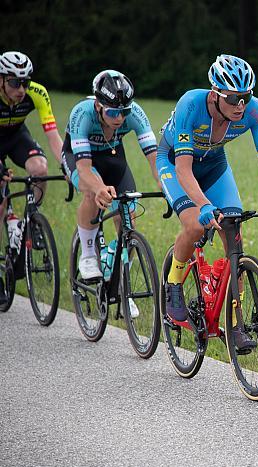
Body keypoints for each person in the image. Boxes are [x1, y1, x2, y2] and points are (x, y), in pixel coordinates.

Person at [157, 54, 258, 350]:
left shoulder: (254, 111)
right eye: (233, 98)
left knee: (234, 234)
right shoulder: (191, 105)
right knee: (195, 226)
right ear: (215, 94)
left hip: (214, 163)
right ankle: (173, 285)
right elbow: (183, 169)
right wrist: (204, 204)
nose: (240, 105)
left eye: (245, 97)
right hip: (174, 162)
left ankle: (235, 324)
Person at [62, 70, 159, 316]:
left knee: (128, 214)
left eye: (123, 112)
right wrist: (98, 188)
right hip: (79, 158)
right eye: (113, 112)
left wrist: (168, 188)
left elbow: (155, 159)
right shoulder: (82, 114)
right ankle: (87, 253)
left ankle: (121, 282)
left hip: (113, 157)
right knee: (91, 193)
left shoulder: (134, 113)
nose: (119, 118)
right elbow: (84, 170)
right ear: (98, 105)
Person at [0, 51, 63, 203]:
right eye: (15, 83)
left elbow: (53, 136)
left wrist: (68, 165)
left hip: (16, 136)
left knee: (40, 169)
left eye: (25, 82)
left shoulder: (37, 93)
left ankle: (32, 219)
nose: (21, 90)